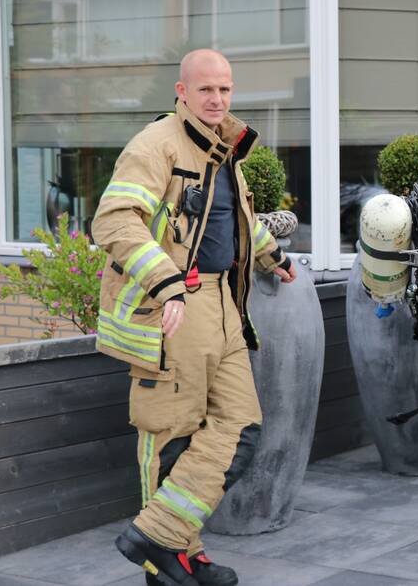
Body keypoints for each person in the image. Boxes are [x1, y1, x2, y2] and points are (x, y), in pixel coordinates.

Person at [92, 49, 297, 586]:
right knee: (172, 435)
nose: (217, 99)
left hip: (224, 303)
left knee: (239, 427)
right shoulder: (156, 145)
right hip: (174, 307)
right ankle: (170, 561)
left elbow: (234, 216)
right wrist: (165, 284)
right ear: (181, 91)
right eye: (206, 89)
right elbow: (114, 220)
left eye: (225, 89)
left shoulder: (223, 146)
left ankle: (162, 537)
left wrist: (271, 255)